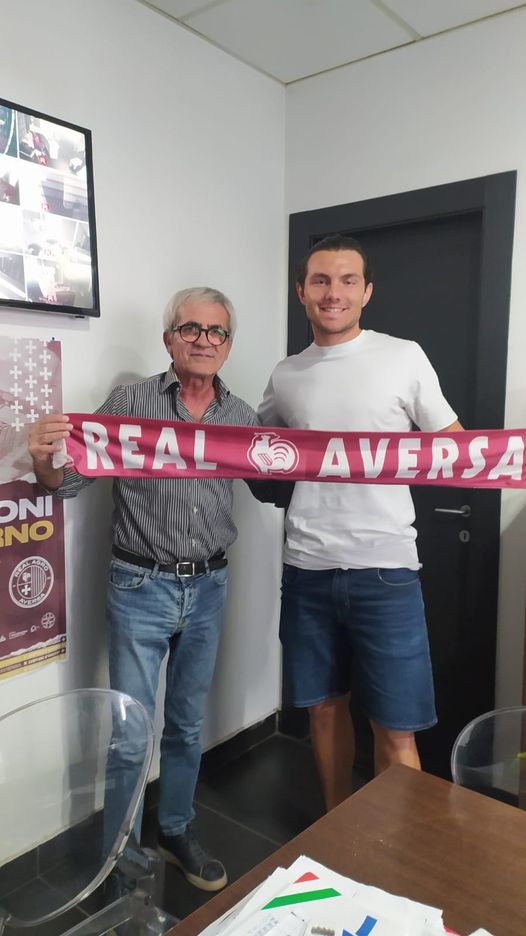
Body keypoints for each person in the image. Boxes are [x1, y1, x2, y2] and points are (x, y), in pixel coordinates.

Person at [28, 286, 258, 891]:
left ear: (228, 345)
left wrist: (327, 454)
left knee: (186, 724)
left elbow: (275, 483)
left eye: (217, 331)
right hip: (140, 586)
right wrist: (45, 461)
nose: (204, 340)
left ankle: (176, 829)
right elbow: (68, 482)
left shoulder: (241, 418)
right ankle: (120, 857)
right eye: (191, 329)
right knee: (131, 734)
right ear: (169, 339)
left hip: (209, 586)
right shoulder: (130, 403)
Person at [257, 235, 463, 812]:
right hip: (306, 570)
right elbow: (259, 448)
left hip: (387, 571)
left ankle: (389, 852)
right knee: (323, 712)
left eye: (348, 280)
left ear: (366, 292)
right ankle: (339, 834)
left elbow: (455, 448)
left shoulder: (404, 356)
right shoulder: (287, 374)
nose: (334, 293)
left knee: (396, 728)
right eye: (321, 280)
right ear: (301, 291)